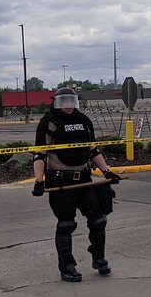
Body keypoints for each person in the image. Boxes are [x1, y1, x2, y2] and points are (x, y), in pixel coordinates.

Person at [31, 88, 120, 282]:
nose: (68, 105)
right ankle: (67, 266)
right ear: (56, 102)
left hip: (84, 180)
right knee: (66, 224)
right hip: (60, 180)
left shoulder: (84, 121)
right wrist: (39, 181)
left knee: (98, 220)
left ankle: (99, 258)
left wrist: (106, 171)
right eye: (64, 101)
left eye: (71, 101)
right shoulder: (49, 122)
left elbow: (92, 150)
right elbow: (40, 153)